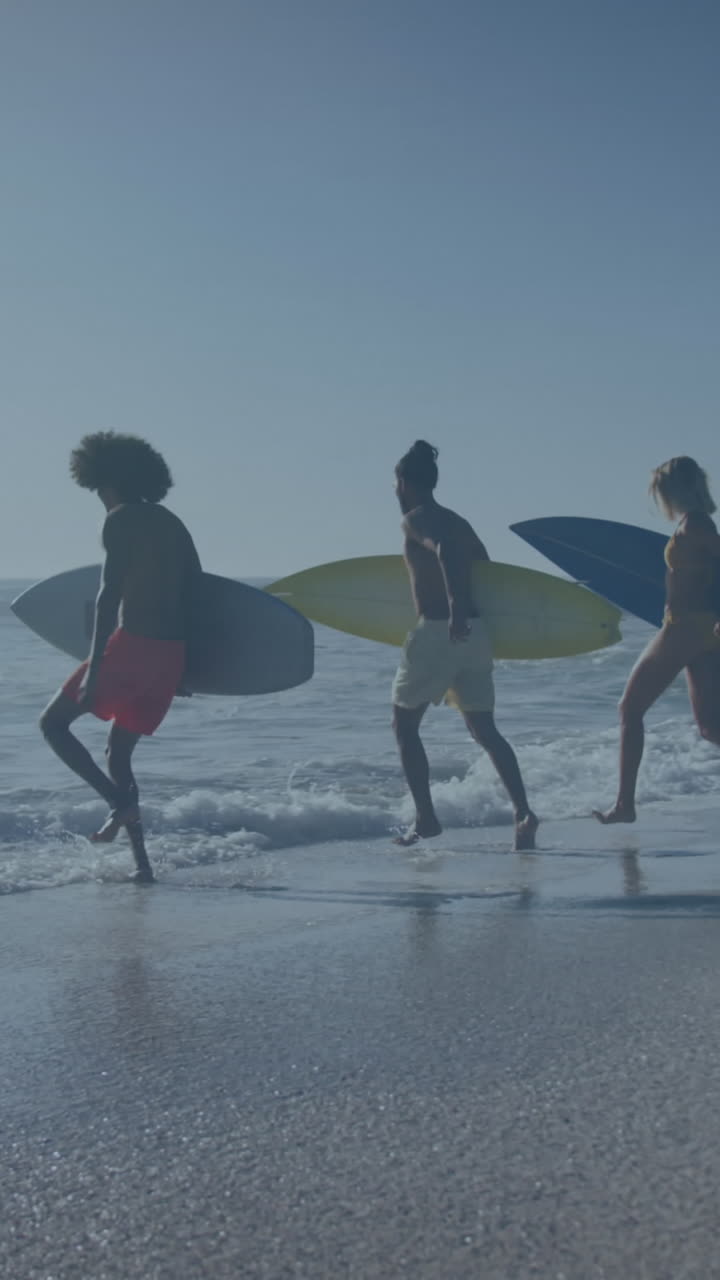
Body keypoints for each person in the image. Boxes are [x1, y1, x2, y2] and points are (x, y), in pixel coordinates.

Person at [40, 432, 202, 883]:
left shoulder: (119, 519)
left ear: (107, 480)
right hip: (170, 654)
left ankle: (118, 804)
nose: (98, 496)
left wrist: (95, 668)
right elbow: (195, 593)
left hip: (131, 647)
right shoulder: (171, 522)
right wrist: (187, 668)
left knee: (52, 725)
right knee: (119, 754)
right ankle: (142, 866)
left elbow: (108, 596)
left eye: (96, 487)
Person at [391, 440, 538, 851]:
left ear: (404, 483)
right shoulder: (460, 521)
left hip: (440, 631)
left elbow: (444, 550)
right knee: (485, 729)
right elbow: (487, 572)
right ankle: (523, 812)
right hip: (475, 635)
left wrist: (453, 606)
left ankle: (426, 818)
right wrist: (465, 611)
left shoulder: (416, 519)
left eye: (396, 483)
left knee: (404, 726)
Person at [595, 455, 720, 825]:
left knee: (629, 709)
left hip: (684, 627)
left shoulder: (696, 524)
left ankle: (624, 805)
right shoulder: (695, 522)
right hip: (699, 629)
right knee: (711, 728)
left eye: (661, 490)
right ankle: (624, 805)